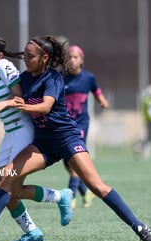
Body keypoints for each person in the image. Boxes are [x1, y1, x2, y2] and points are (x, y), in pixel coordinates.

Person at [0, 35, 151, 241]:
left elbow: (45, 107)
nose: (25, 59)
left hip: (66, 138)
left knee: (97, 186)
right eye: (24, 55)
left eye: (30, 56)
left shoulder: (53, 78)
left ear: (44, 57)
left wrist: (9, 105)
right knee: (7, 177)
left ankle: (140, 228)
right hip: (43, 143)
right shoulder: (25, 78)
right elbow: (11, 99)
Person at [0, 34, 73, 241]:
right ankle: (40, 221)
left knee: (6, 180)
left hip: (23, 130)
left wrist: (4, 103)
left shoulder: (5, 67)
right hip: (10, 132)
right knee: (6, 186)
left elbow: (19, 99)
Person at [63, 45, 109, 208]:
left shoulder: (88, 77)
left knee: (74, 157)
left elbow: (97, 91)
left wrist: (102, 100)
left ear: (81, 60)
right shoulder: (61, 78)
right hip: (65, 125)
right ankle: (86, 191)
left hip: (81, 124)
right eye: (69, 57)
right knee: (68, 163)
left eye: (75, 57)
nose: (72, 60)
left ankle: (70, 197)